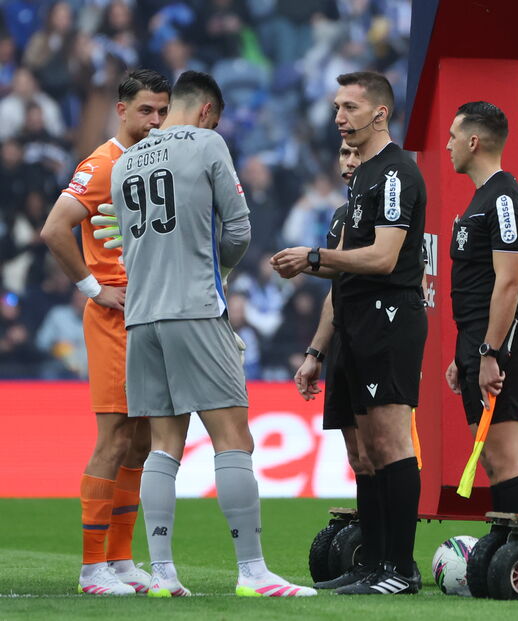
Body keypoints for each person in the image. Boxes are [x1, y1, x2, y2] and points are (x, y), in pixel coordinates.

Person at [112, 70, 315, 598]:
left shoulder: (124, 161)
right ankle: (252, 572)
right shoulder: (207, 143)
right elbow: (240, 228)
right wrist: (216, 274)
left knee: (163, 447)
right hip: (196, 309)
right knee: (233, 440)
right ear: (206, 110)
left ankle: (161, 575)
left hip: (141, 319)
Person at [271, 70, 427, 595]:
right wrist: (317, 343)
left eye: (350, 108)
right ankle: (375, 565)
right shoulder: (362, 178)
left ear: (380, 113)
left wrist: (315, 255)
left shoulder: (394, 174)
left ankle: (399, 571)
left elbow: (383, 257)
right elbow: (347, 271)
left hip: (389, 318)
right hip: (357, 323)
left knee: (390, 443)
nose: (338, 117)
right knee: (367, 451)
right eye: (337, 107)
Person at [40, 69, 170, 596]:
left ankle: (120, 561)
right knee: (114, 437)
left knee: (139, 441)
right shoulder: (102, 164)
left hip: (152, 316)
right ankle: (91, 568)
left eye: (162, 111)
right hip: (115, 318)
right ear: (122, 109)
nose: (155, 121)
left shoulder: (154, 162)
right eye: (146, 111)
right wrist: (94, 288)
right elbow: (54, 228)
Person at [443, 101, 518, 596]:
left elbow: (508, 284)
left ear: (474, 141)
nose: (448, 143)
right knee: (490, 458)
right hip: (479, 341)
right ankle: (504, 548)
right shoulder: (481, 198)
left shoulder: (503, 199)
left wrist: (489, 353)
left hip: (500, 341)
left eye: (454, 135)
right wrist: (466, 352)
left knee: (504, 456)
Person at [292, 140, 386, 590]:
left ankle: (389, 562)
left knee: (380, 452)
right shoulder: (341, 217)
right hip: (344, 342)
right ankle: (371, 560)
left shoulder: (385, 207)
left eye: (356, 154)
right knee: (357, 457)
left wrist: (310, 258)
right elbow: (338, 290)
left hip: (378, 338)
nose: (349, 162)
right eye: (344, 155)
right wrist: (315, 353)